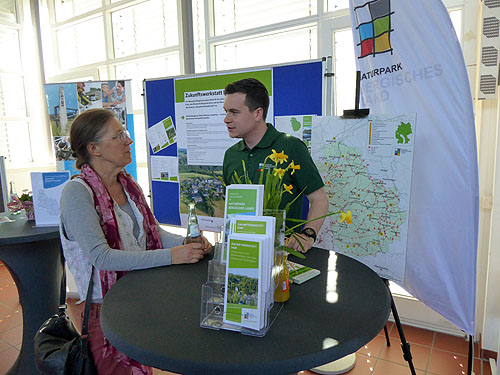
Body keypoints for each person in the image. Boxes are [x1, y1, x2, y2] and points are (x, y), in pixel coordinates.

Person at [60, 108, 212, 375]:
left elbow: (153, 233)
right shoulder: (77, 194)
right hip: (105, 309)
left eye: (126, 134)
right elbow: (102, 257)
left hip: (139, 297)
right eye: (119, 136)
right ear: (94, 147)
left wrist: (189, 242)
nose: (128, 141)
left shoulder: (129, 185)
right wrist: (174, 256)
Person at [222, 78, 329, 253]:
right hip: (243, 253)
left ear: (257, 113)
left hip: (283, 255)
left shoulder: (290, 147)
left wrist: (308, 234)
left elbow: (319, 199)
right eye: (226, 112)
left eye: (234, 112)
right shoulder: (231, 155)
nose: (226, 119)